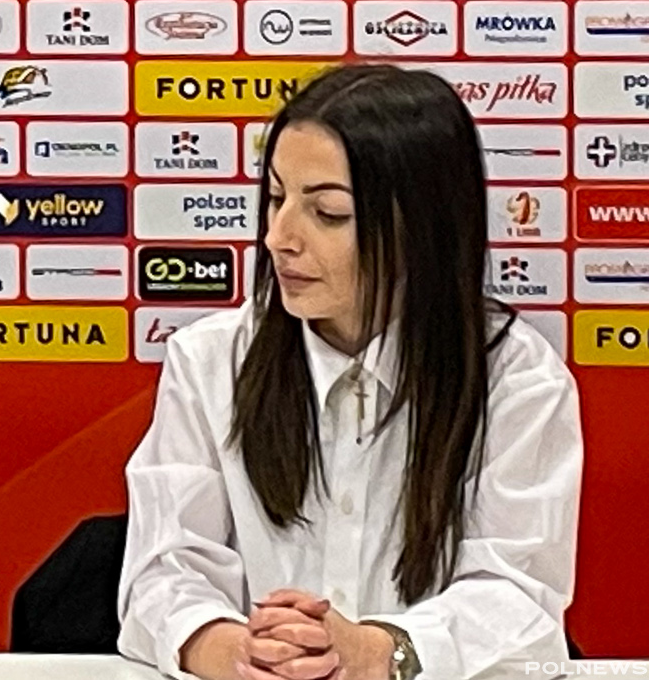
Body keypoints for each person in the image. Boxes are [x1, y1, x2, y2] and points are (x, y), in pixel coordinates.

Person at [117, 64, 582, 680]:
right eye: (276, 198)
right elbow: (162, 574)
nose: (279, 237)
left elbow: (519, 596)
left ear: (422, 227)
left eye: (328, 213)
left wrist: (375, 653)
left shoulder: (518, 379)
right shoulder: (210, 360)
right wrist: (236, 651)